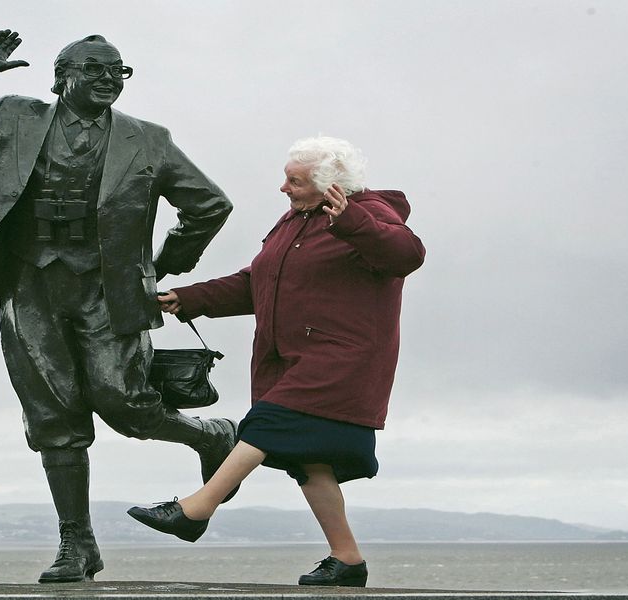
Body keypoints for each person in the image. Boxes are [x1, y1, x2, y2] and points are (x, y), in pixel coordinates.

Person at [0, 30, 236, 583]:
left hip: (107, 288)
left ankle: (209, 434)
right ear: (64, 76)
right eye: (97, 70)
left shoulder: (148, 140)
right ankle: (77, 543)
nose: (110, 79)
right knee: (52, 416)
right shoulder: (16, 117)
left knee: (125, 403)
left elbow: (209, 204)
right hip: (29, 282)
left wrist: (162, 265)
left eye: (119, 71)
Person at [127, 136, 425, 587]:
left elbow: (407, 254)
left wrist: (352, 222)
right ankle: (347, 560)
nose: (283, 188)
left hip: (343, 358)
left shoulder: (371, 212)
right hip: (290, 356)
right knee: (311, 463)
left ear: (330, 186)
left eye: (295, 180)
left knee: (265, 424)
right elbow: (257, 283)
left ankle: (196, 509)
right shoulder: (294, 222)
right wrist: (186, 297)